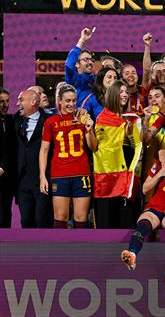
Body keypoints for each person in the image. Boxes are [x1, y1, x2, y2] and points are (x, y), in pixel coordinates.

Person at [120, 138, 165, 288]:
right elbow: (145, 189)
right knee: (142, 224)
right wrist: (160, 174)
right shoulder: (160, 166)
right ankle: (132, 255)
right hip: (155, 207)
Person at [39, 84, 95, 228]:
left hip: (81, 173)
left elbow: (93, 147)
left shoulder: (83, 117)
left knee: (81, 218)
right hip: (60, 174)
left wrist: (89, 130)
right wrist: (42, 176)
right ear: (60, 101)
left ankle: (80, 244)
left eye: (74, 100)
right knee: (60, 217)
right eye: (68, 101)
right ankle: (60, 244)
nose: (71, 104)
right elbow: (44, 150)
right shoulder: (50, 121)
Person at [91, 81, 143, 228]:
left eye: (126, 92)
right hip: (108, 173)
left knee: (126, 218)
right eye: (121, 92)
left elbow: (137, 145)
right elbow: (97, 148)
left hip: (128, 169)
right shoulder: (102, 118)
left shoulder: (132, 118)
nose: (125, 95)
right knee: (107, 218)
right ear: (113, 94)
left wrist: (130, 131)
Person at [14, 89, 52, 228]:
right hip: (22, 181)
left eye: (21, 100)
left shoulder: (49, 120)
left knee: (42, 221)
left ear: (33, 102)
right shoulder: (15, 119)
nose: (17, 103)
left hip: (42, 180)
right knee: (26, 221)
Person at [65, 28, 96, 108]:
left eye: (91, 60)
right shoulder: (74, 79)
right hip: (77, 115)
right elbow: (69, 65)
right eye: (86, 59)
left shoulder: (96, 79)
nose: (90, 62)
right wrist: (82, 40)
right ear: (77, 64)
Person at [0, 88, 16, 227]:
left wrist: (2, 168)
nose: (5, 105)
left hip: (7, 177)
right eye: (1, 102)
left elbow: (10, 149)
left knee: (5, 212)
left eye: (7, 101)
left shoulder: (11, 120)